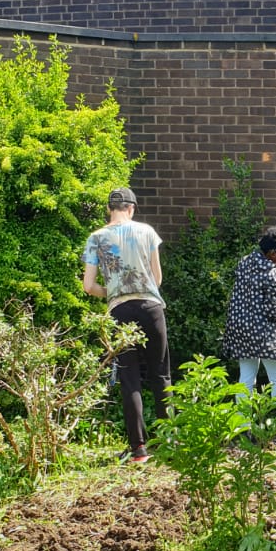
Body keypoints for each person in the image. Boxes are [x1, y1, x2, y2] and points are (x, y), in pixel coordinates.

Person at [83, 187, 170, 464]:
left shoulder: (96, 238)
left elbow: (88, 286)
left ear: (110, 208)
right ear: (132, 208)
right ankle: (171, 441)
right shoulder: (146, 232)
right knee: (160, 374)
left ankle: (139, 450)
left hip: (119, 310)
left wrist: (114, 292)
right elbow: (157, 278)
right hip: (151, 307)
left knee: (129, 377)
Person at [222, 226, 276, 437]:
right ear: (273, 253)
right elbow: (273, 313)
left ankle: (242, 428)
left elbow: (252, 287)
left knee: (246, 378)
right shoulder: (273, 273)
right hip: (263, 333)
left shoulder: (245, 261)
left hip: (240, 328)